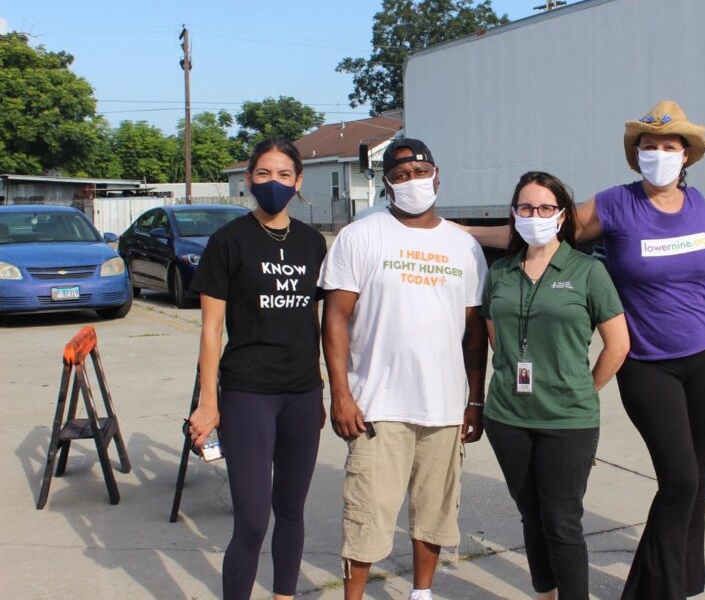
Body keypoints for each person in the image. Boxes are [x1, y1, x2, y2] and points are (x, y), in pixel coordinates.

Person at [465, 100, 705, 598]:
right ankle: (656, 589)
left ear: (686, 156)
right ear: (635, 154)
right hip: (649, 362)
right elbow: (541, 234)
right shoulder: (615, 203)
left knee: (696, 479)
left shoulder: (702, 206)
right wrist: (458, 232)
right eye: (648, 146)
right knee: (678, 479)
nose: (658, 154)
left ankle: (686, 577)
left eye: (668, 146)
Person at [319, 137, 489, 600]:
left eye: (421, 172)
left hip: (445, 405)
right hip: (378, 404)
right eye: (400, 175)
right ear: (386, 185)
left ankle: (422, 592)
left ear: (438, 176)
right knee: (367, 511)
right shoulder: (362, 235)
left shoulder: (464, 247)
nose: (413, 181)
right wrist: (341, 394)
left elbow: (474, 335)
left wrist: (475, 400)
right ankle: (353, 595)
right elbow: (334, 319)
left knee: (434, 511)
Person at [187, 138, 328, 600]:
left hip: (302, 394)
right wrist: (209, 404)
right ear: (248, 180)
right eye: (263, 174)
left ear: (299, 182)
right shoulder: (228, 241)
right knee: (251, 520)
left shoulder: (312, 243)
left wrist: (322, 388)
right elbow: (211, 331)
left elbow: (315, 319)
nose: (273, 183)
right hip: (248, 393)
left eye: (284, 175)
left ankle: (283, 594)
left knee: (291, 509)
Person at [483, 171, 630, 600]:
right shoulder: (501, 272)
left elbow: (617, 345)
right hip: (507, 416)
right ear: (514, 214)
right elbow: (496, 334)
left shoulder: (588, 272)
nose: (536, 215)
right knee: (531, 515)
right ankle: (544, 593)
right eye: (526, 208)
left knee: (562, 520)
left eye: (546, 208)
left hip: (568, 419)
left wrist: (584, 389)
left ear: (562, 215)